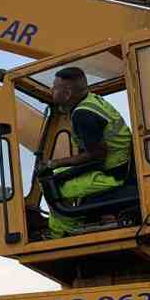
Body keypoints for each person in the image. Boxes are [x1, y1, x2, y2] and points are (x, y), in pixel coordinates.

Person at [38, 66, 134, 237]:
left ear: (67, 93)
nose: (51, 90)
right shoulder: (92, 100)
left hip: (113, 174)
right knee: (58, 175)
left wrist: (55, 162)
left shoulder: (83, 115)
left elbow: (97, 155)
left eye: (55, 87)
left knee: (53, 185)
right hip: (121, 163)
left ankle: (63, 232)